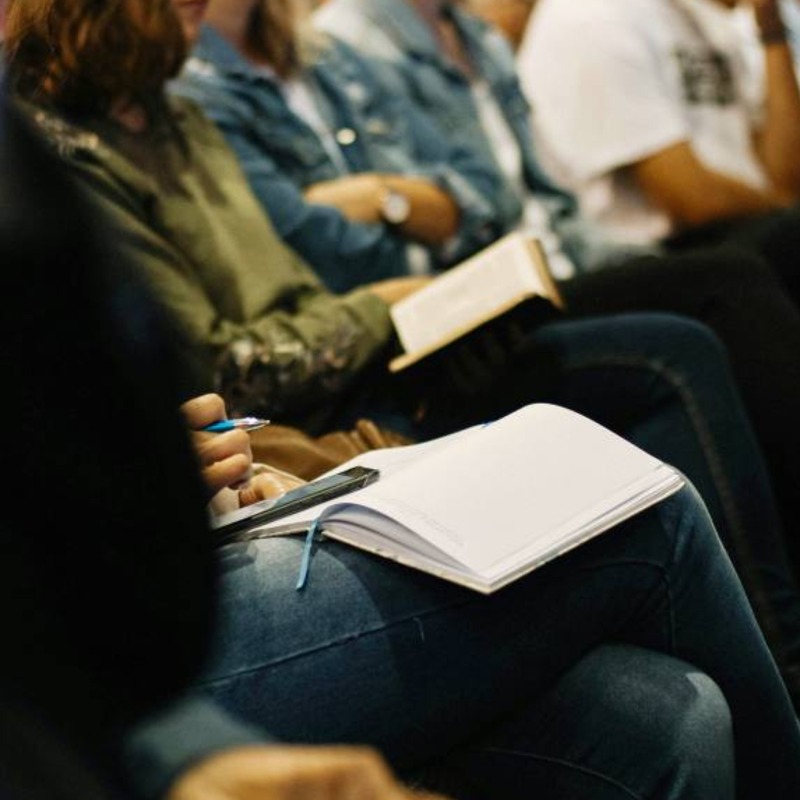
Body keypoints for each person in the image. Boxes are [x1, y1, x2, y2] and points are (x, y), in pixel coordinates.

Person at [4, 76, 800, 800]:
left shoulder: (176, 115)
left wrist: (177, 481)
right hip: (100, 652)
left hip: (147, 598)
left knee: (674, 719)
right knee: (647, 511)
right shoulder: (65, 151)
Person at [314, 0, 800, 573]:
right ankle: (779, 625)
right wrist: (417, 205)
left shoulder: (474, 35)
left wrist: (631, 260)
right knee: (721, 286)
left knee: (767, 251)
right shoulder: (352, 40)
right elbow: (455, 213)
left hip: (553, 262)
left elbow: (545, 201)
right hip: (472, 296)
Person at [168, 0, 512, 293]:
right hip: (374, 344)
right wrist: (427, 225)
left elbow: (482, 188)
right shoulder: (189, 96)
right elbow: (319, 256)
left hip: (456, 303)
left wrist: (380, 197)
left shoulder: (328, 55)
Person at [517, 0, 800, 276]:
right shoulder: (591, 16)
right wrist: (785, 210)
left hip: (741, 228)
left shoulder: (720, 21)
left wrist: (772, 32)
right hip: (641, 256)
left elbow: (787, 178)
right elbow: (695, 201)